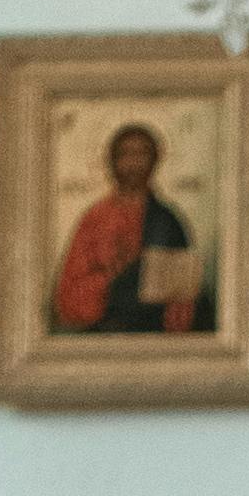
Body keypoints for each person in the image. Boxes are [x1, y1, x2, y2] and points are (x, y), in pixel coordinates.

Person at [53, 114, 207, 337]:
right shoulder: (95, 219)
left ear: (155, 160)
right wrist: (109, 280)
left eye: (141, 154)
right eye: (125, 154)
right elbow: (69, 299)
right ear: (112, 161)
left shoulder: (167, 220)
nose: (133, 163)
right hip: (103, 334)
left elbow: (182, 299)